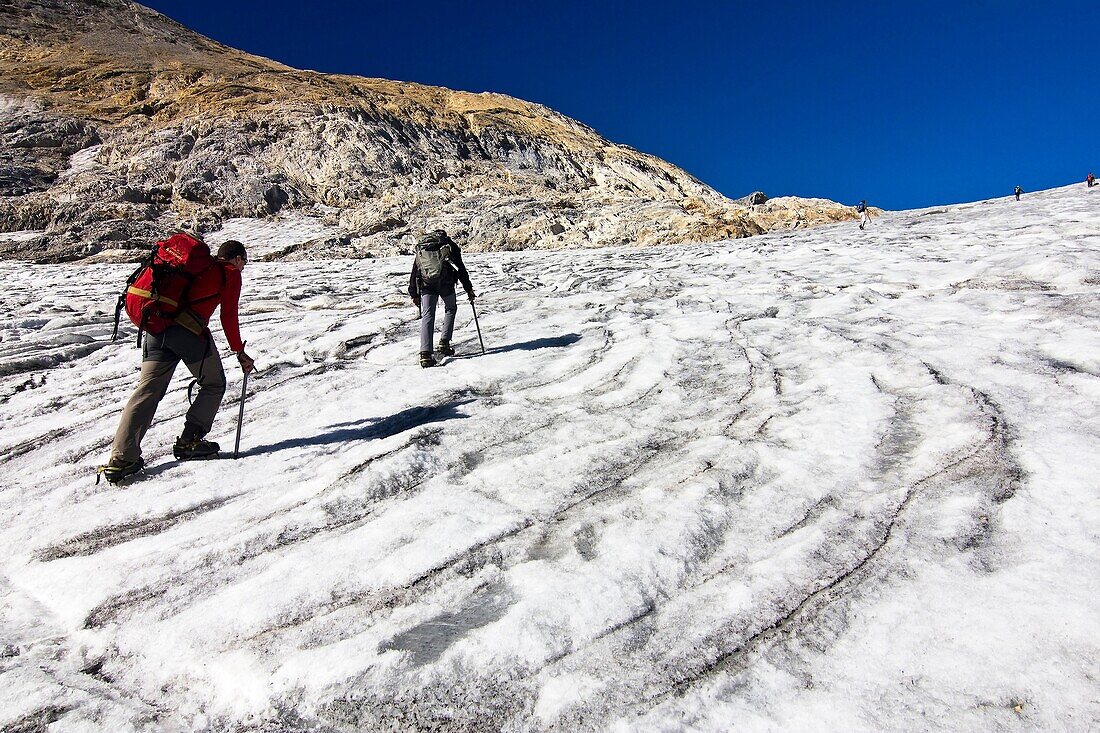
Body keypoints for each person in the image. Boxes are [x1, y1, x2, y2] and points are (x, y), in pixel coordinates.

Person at [99, 239, 256, 483]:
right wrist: (239, 351)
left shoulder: (193, 270)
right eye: (244, 262)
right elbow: (228, 315)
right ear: (236, 259)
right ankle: (189, 441)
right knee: (214, 383)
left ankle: (121, 459)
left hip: (156, 327)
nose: (243, 266)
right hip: (187, 332)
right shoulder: (229, 273)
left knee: (148, 391)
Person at [409, 230, 475, 367]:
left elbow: (415, 270)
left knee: (428, 315)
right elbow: (460, 269)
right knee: (450, 308)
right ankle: (444, 342)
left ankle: (425, 353)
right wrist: (468, 288)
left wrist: (413, 293)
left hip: (427, 285)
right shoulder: (449, 246)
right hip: (446, 284)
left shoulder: (423, 247)